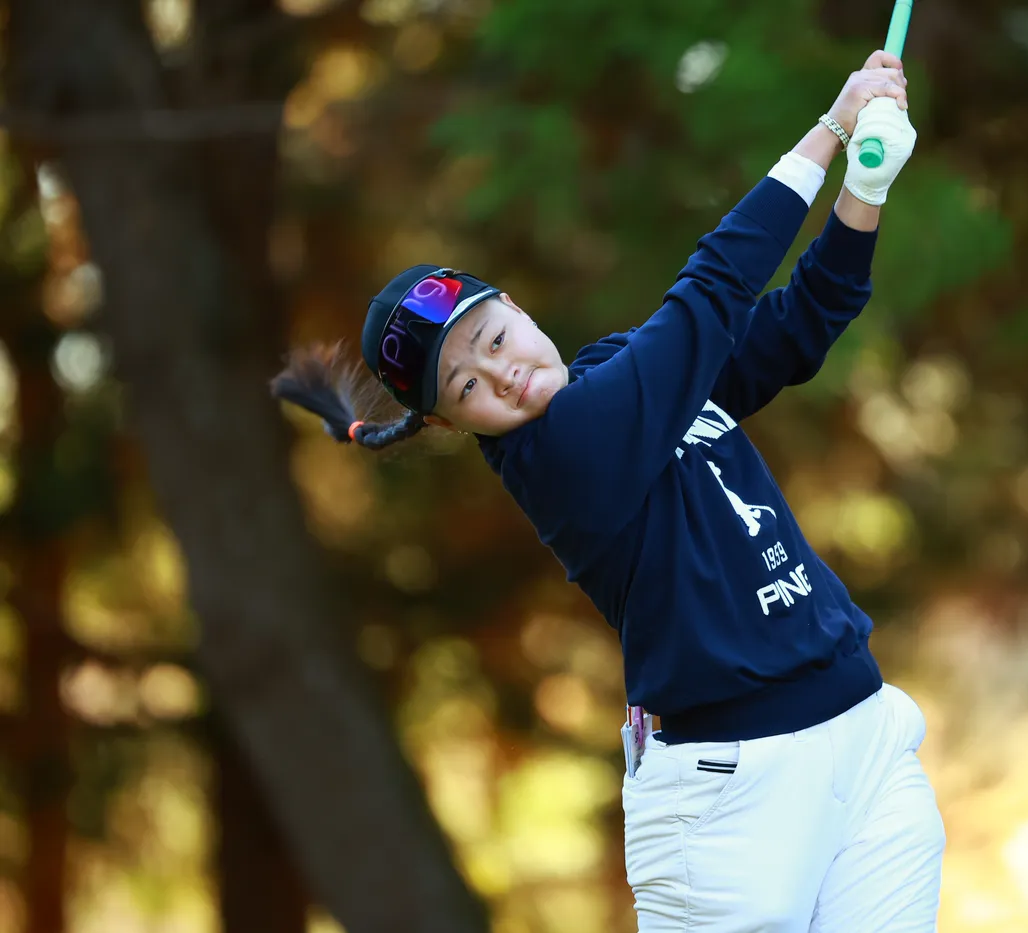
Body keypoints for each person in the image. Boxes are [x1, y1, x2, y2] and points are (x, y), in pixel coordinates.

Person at [272, 49, 943, 932]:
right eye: (468, 385)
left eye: (495, 338)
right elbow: (713, 289)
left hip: (864, 739)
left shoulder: (617, 369)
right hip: (730, 809)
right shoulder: (555, 454)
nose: (504, 375)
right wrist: (830, 128)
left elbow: (802, 319)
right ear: (447, 423)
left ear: (516, 306)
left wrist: (866, 185)